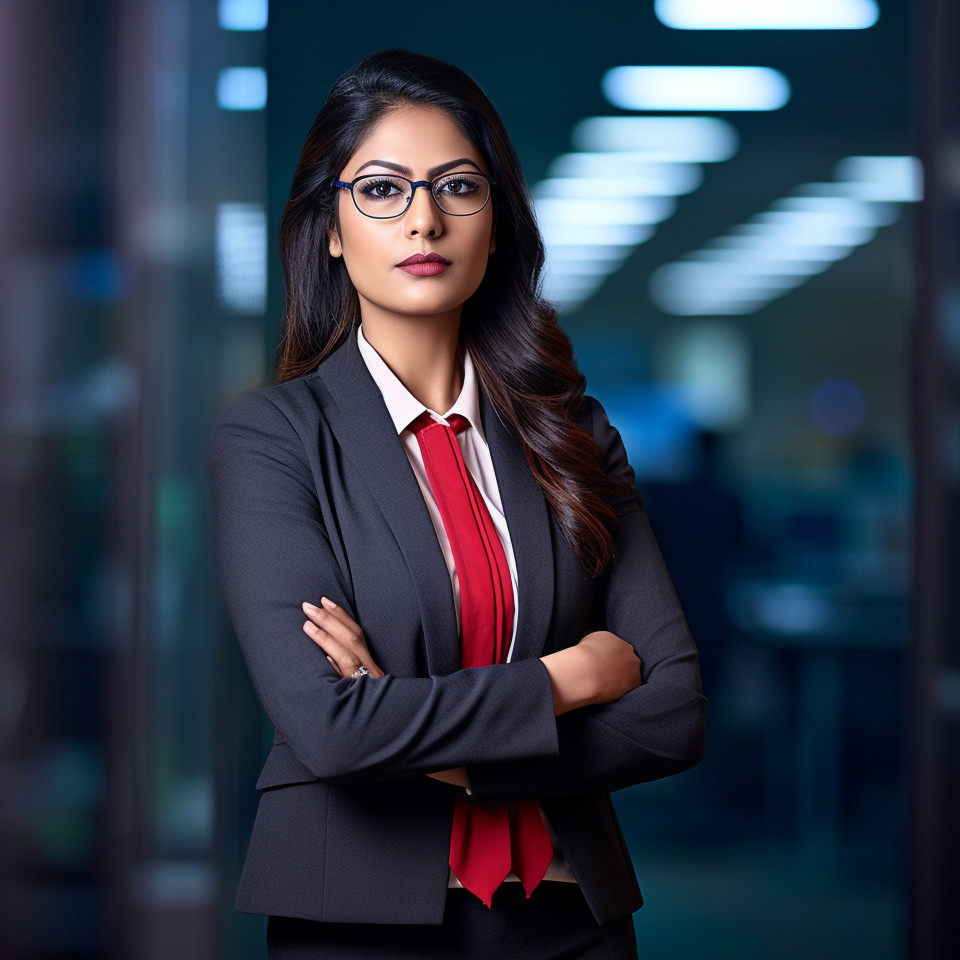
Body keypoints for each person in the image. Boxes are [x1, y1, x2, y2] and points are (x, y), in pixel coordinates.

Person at [209, 48, 706, 960]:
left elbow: (674, 711)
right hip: (357, 924)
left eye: (458, 187)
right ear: (329, 226)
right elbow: (329, 727)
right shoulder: (273, 437)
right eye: (383, 190)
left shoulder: (576, 435)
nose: (424, 220)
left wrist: (430, 744)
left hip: (573, 922)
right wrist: (570, 680)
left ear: (496, 222)